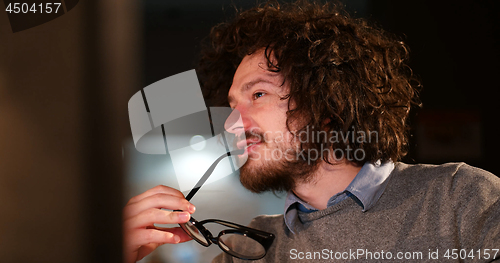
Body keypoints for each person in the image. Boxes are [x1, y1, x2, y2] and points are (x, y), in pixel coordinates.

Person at [123, 1, 500, 262]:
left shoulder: (461, 199)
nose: (231, 122)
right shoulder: (250, 250)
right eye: (233, 104)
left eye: (258, 93)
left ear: (327, 103)